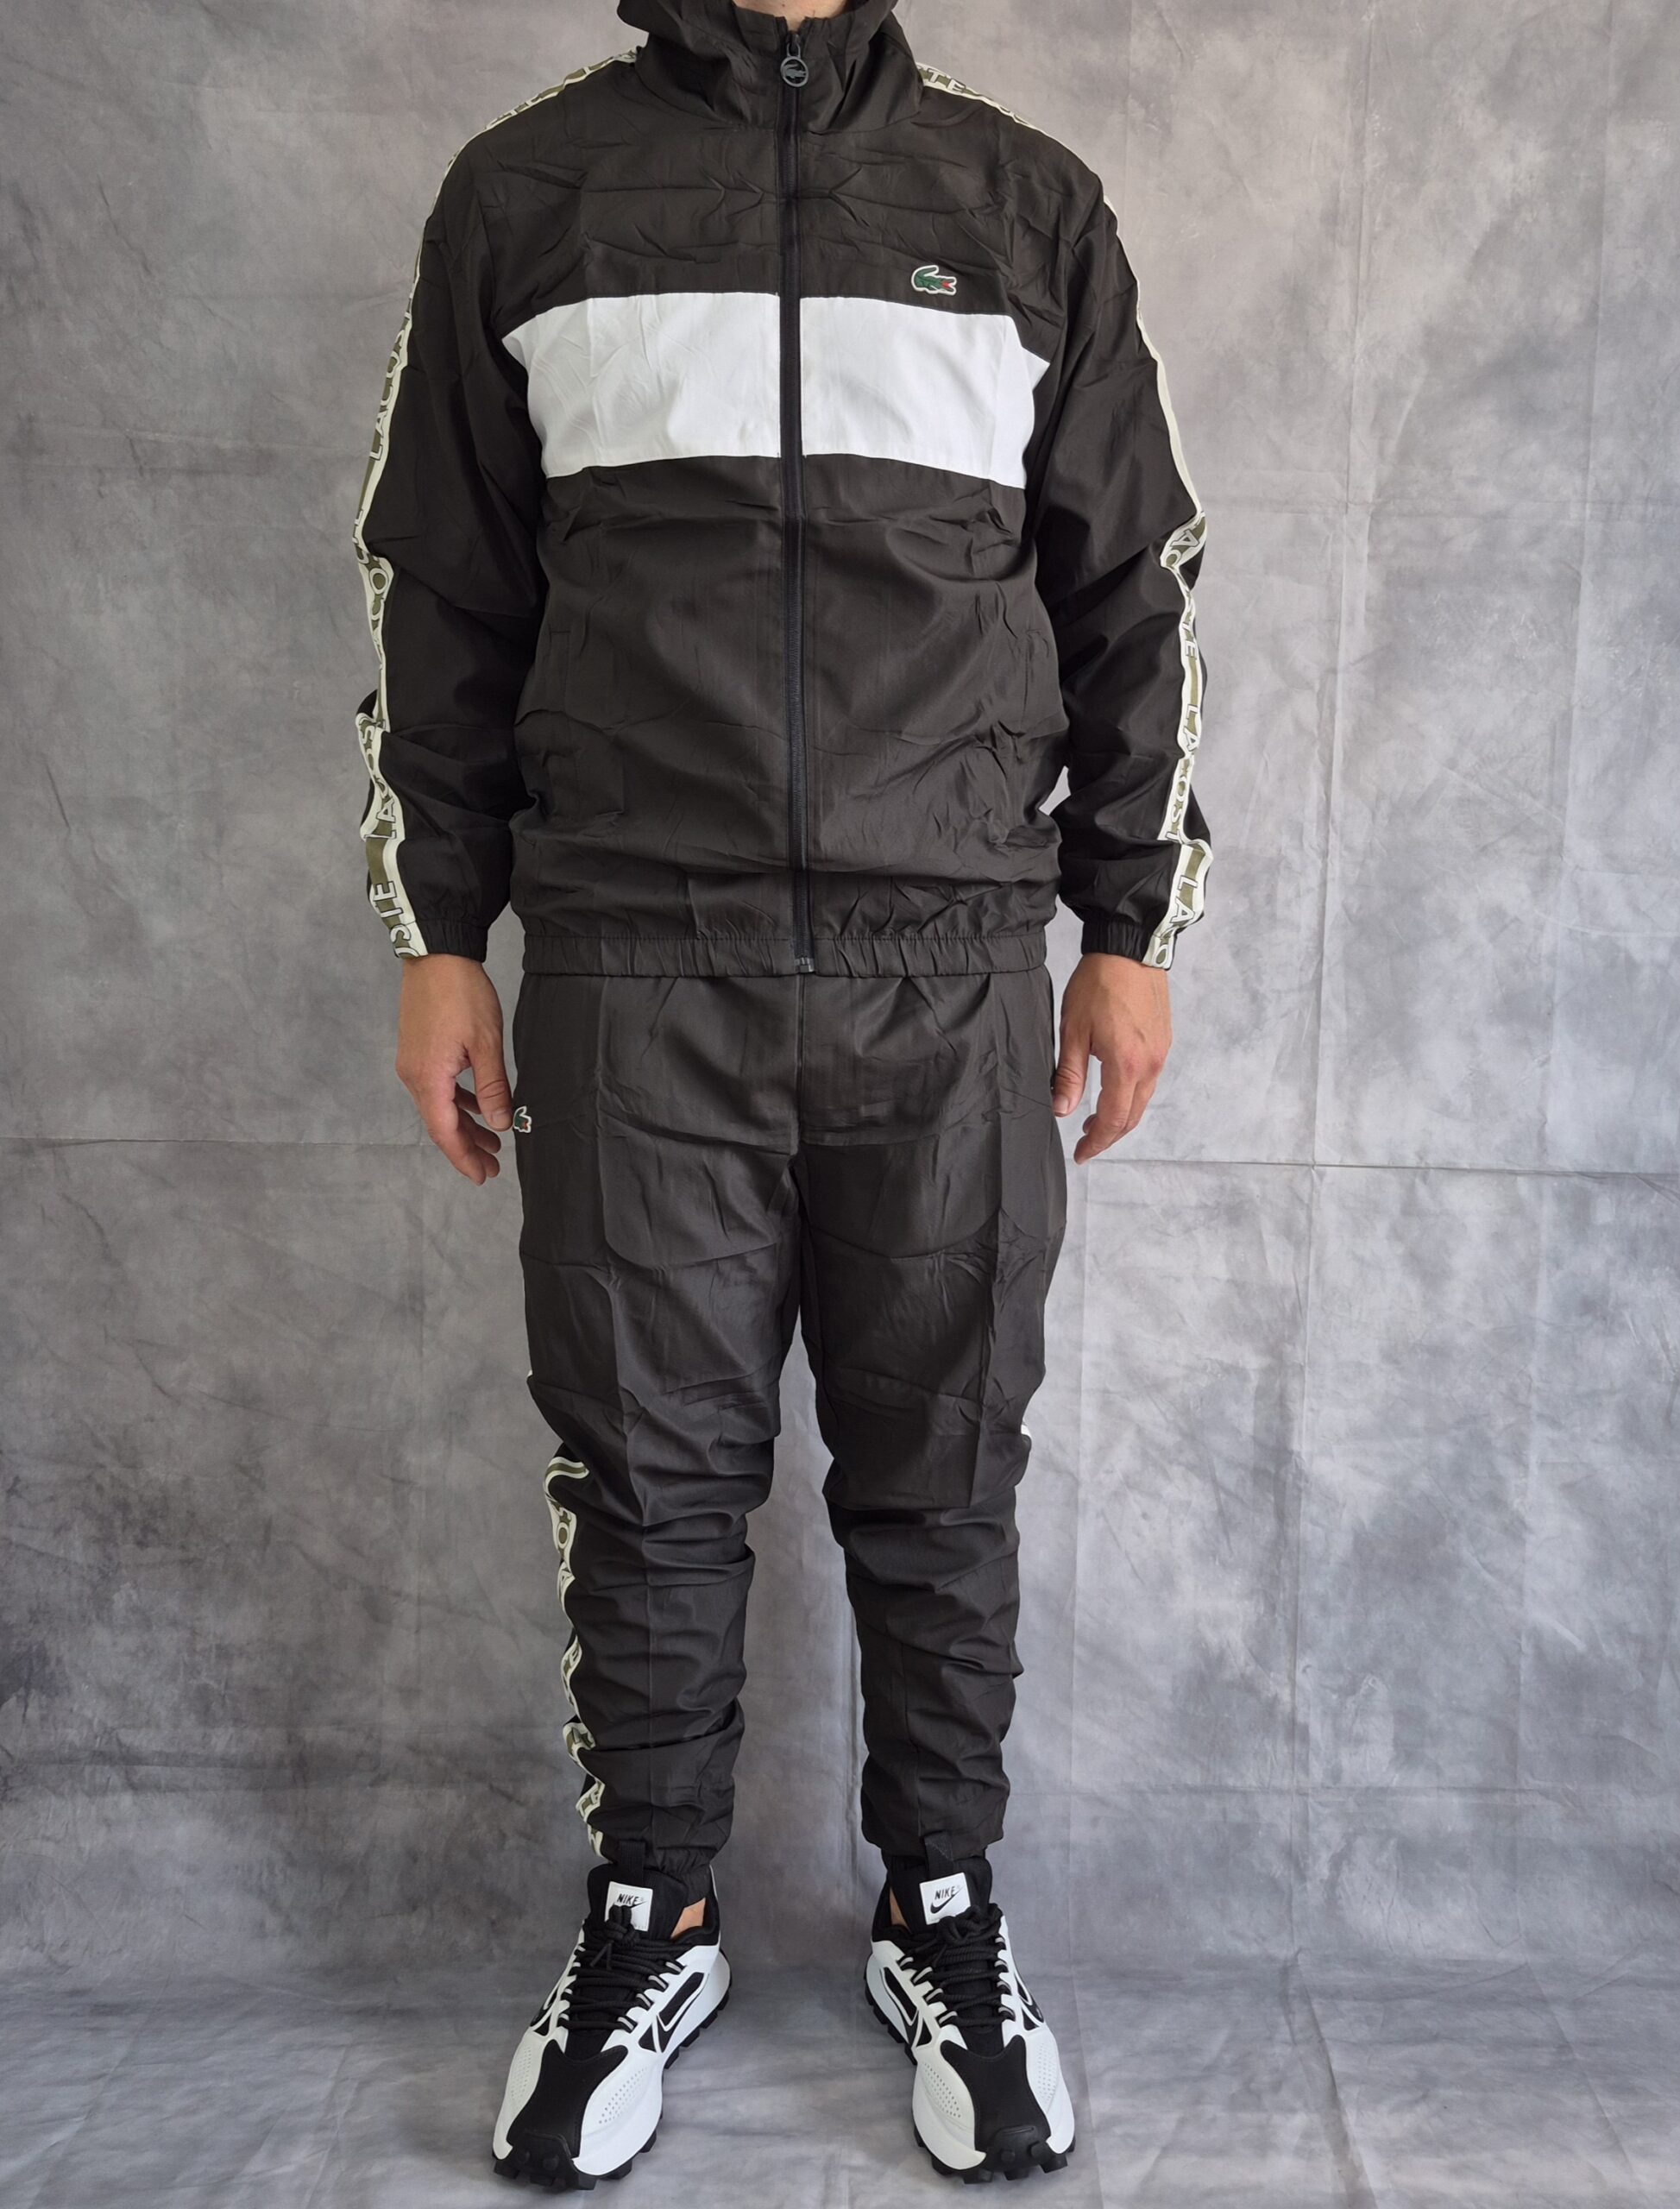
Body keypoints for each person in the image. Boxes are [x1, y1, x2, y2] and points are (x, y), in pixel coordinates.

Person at [352, 0, 1210, 2187]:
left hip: (950, 967)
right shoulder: (527, 196)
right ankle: (655, 1911)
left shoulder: (1026, 209)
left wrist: (1127, 923)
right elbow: (446, 594)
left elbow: (1134, 590)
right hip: (639, 962)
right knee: (647, 1476)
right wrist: (440, 927)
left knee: (943, 1471)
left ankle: (943, 1911)